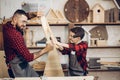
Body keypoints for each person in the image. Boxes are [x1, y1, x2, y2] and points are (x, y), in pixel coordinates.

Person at [2, 9, 53, 77]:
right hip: (16, 67)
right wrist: (46, 49)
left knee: (36, 77)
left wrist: (33, 14)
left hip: (22, 63)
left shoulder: (7, 25)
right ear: (14, 19)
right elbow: (28, 57)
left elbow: (21, 16)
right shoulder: (15, 35)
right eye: (23, 22)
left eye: (26, 22)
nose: (25, 25)